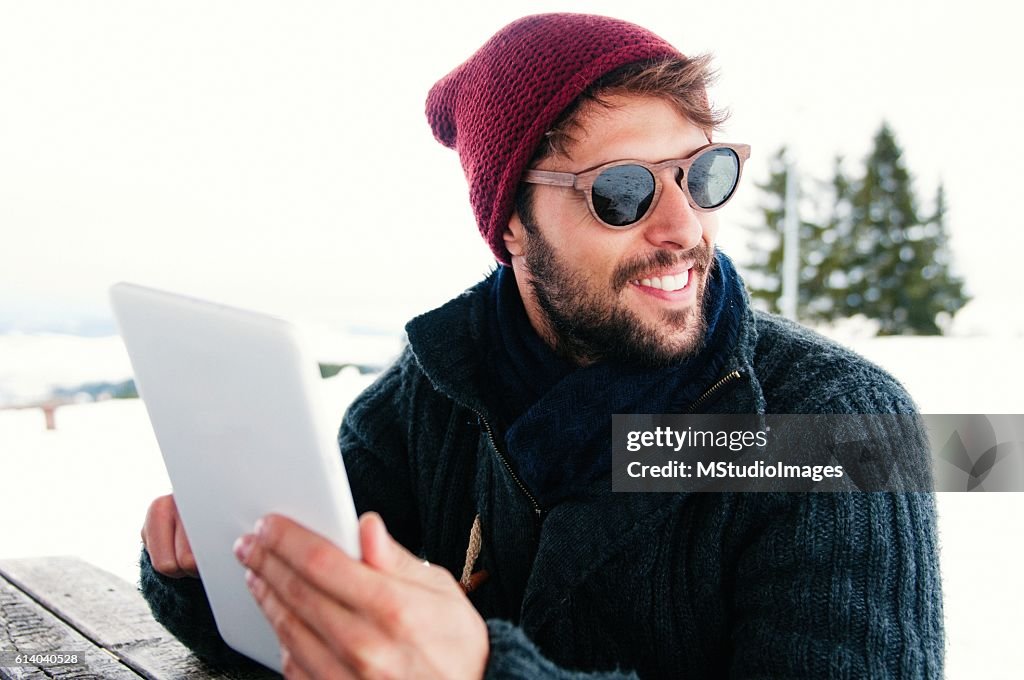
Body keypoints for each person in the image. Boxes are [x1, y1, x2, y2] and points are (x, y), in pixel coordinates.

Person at [139, 13, 944, 679]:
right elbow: (309, 641)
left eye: (703, 176)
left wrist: (481, 670)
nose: (681, 229)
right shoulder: (443, 387)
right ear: (513, 226)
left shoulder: (835, 426)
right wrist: (210, 575)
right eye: (621, 191)